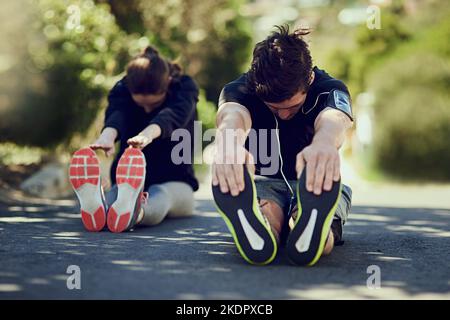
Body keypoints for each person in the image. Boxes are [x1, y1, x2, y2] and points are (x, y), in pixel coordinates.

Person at [211, 25, 353, 266]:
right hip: (264, 181)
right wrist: (228, 144)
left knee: (323, 228)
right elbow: (232, 116)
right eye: (275, 108)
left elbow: (334, 119)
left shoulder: (330, 88)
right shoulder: (239, 90)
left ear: (309, 79)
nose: (284, 115)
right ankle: (260, 227)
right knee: (267, 213)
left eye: (292, 107)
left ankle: (312, 229)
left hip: (316, 181)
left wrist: (324, 143)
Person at [69, 46, 199, 233]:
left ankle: (126, 211)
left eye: (153, 104)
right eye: (140, 104)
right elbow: (118, 113)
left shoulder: (184, 88)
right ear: (130, 88)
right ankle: (117, 209)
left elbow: (173, 116)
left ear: (168, 82)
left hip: (175, 178)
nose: (147, 110)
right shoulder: (122, 88)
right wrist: (107, 137)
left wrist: (147, 135)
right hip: (128, 181)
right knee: (125, 196)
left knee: (161, 195)